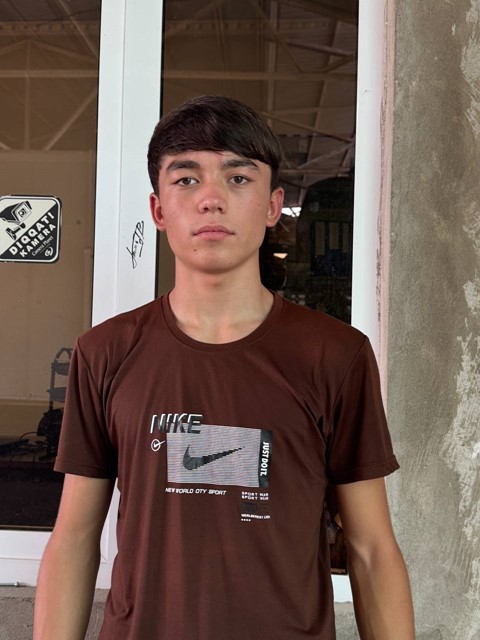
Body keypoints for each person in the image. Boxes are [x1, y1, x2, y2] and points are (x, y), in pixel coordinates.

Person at [33, 95, 415, 640]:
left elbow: (372, 548)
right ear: (158, 209)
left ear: (273, 205)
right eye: (187, 179)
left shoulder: (336, 355)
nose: (211, 199)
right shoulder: (105, 352)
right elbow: (74, 539)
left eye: (238, 179)